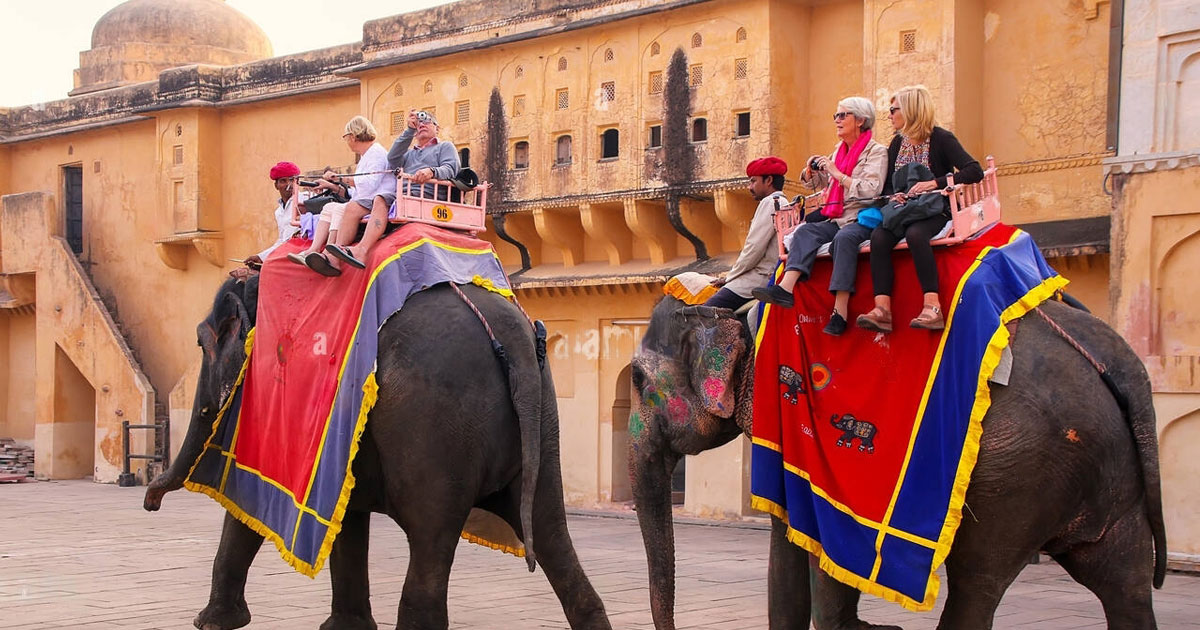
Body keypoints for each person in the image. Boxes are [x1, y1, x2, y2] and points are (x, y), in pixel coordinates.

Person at [751, 97, 887, 335]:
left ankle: (840, 312)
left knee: (844, 239)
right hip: (835, 216)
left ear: (861, 120)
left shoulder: (877, 152)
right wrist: (811, 172)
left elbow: (871, 191)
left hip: (861, 217)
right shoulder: (839, 151)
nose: (837, 120)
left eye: (843, 115)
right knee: (804, 231)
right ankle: (785, 288)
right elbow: (823, 184)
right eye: (836, 115)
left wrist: (836, 173)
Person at [856, 85, 984, 333]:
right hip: (906, 209)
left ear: (911, 110)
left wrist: (934, 183)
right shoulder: (896, 143)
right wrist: (897, 196)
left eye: (894, 110)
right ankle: (882, 310)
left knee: (916, 234)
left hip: (936, 209)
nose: (890, 115)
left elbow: (974, 171)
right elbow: (890, 184)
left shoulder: (941, 139)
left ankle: (932, 306)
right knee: (879, 237)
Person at [327, 109, 459, 270]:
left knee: (380, 198)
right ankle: (346, 253)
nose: (422, 124)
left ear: (437, 128)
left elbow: (451, 168)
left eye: (428, 121)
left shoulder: (444, 146)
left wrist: (432, 171)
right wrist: (409, 130)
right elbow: (392, 158)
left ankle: (362, 249)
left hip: (426, 195)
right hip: (403, 196)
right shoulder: (410, 154)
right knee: (371, 201)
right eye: (419, 122)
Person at [292, 116, 396, 277]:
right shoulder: (366, 156)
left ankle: (332, 254)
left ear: (353, 136)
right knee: (329, 208)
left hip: (377, 197)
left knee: (346, 208)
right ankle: (313, 250)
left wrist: (341, 179)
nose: (347, 141)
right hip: (365, 198)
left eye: (346, 137)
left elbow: (370, 184)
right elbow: (357, 191)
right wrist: (334, 185)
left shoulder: (376, 153)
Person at [703, 156, 789, 310]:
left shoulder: (770, 202)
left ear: (768, 180)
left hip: (760, 278)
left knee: (704, 313)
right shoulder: (785, 203)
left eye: (753, 181)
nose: (750, 187)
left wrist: (730, 277)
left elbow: (754, 248)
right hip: (774, 274)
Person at [245, 161, 302, 268]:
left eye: (291, 180)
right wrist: (260, 257)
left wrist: (263, 257)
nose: (288, 185)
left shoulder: (304, 201)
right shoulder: (278, 212)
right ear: (276, 185)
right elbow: (282, 240)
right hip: (285, 252)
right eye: (283, 181)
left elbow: (291, 240)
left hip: (299, 253)